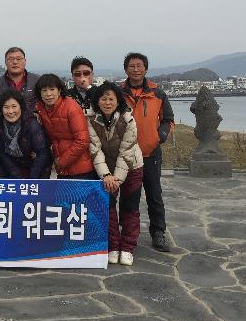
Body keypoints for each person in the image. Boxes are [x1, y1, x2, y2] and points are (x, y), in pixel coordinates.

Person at [120, 52, 175, 252]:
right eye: (131, 66)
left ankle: (158, 232)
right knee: (128, 196)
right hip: (126, 154)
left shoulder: (157, 93)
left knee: (154, 194)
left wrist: (159, 137)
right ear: (126, 69)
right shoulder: (119, 92)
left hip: (151, 153)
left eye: (139, 65)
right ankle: (126, 231)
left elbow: (168, 119)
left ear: (145, 69)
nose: (136, 69)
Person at [89, 81, 144, 266]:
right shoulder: (91, 119)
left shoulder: (127, 119)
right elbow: (95, 149)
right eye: (103, 99)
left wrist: (117, 179)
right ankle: (113, 245)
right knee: (108, 206)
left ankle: (127, 247)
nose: (107, 103)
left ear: (118, 100)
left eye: (111, 99)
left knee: (130, 206)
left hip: (132, 166)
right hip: (106, 168)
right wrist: (106, 176)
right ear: (97, 101)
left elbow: (127, 151)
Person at [34, 73, 96, 179]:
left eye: (52, 89)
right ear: (39, 93)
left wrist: (61, 162)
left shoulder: (71, 107)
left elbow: (82, 140)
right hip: (63, 169)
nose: (48, 94)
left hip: (80, 169)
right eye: (44, 90)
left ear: (59, 91)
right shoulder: (41, 109)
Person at [0, 90, 52, 179]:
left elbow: (42, 154)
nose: (10, 111)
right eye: (6, 107)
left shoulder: (31, 125)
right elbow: (1, 153)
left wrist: (31, 180)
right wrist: (16, 174)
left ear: (21, 107)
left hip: (36, 169)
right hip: (12, 169)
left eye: (14, 106)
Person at [0, 47, 40, 111]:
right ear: (5, 62)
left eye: (19, 59)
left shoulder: (36, 80)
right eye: (11, 59)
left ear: (25, 61)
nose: (15, 62)